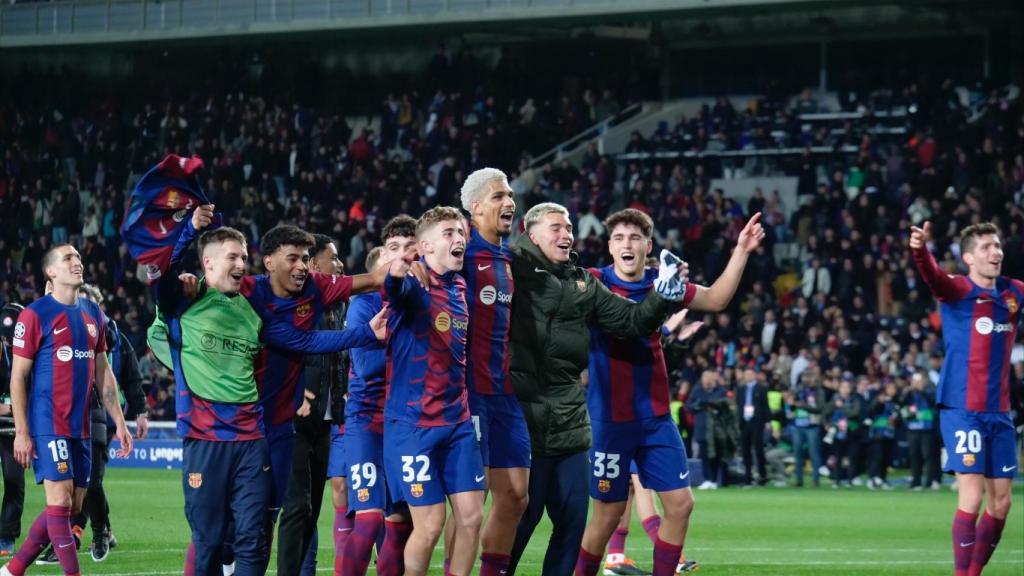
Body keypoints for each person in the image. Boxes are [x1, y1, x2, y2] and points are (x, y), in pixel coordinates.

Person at [146, 206, 383, 576]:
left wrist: (368, 331)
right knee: (210, 539)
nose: (241, 264)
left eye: (243, 256)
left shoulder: (253, 313)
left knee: (257, 535)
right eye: (233, 257)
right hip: (207, 437)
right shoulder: (188, 302)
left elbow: (302, 339)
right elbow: (159, 277)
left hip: (259, 434)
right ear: (208, 265)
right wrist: (189, 229)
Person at [578, 208, 764, 576]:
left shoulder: (662, 282)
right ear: (610, 247)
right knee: (606, 515)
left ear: (648, 246)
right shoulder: (593, 281)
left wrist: (741, 250)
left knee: (680, 504)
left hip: (656, 419)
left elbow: (716, 300)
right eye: (619, 238)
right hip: (609, 421)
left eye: (634, 238)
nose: (626, 244)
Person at [507, 202, 689, 576]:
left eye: (569, 227)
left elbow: (632, 319)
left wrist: (664, 293)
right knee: (521, 517)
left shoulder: (583, 283)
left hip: (572, 421)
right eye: (557, 227)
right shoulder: (509, 269)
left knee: (574, 524)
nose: (567, 234)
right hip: (525, 418)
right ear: (532, 233)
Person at [1, 244, 133, 576]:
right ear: (51, 272)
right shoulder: (34, 315)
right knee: (60, 503)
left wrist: (121, 422)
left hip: (83, 425)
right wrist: (22, 431)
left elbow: (104, 374)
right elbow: (18, 376)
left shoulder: (94, 314)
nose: (77, 262)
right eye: (68, 258)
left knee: (71, 507)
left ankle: (14, 569)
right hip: (48, 422)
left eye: (78, 257)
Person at [910, 221, 1022, 576]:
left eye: (998, 245)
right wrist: (920, 251)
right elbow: (932, 277)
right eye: (988, 246)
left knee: (1002, 503)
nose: (997, 252)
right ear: (969, 257)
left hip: (1000, 412)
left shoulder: (1014, 292)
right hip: (962, 409)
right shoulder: (957, 290)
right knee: (972, 498)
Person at [381, 206, 485, 576]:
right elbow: (396, 289)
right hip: (413, 426)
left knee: (472, 518)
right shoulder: (416, 285)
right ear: (424, 245)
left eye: (460, 232)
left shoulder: (459, 285)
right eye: (449, 233)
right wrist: (396, 271)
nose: (459, 238)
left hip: (456, 421)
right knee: (429, 524)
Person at [40, 284, 149, 564]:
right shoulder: (64, 336)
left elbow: (132, 377)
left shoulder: (114, 338)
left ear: (99, 307)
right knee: (75, 481)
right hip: (69, 415)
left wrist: (139, 411)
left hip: (103, 415)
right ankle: (77, 534)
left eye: (88, 304)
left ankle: (93, 533)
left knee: (92, 480)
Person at [334, 216, 418, 576]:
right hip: (368, 421)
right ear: (384, 255)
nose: (400, 257)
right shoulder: (365, 304)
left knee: (401, 525)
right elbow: (366, 364)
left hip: (407, 424)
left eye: (408, 249)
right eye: (393, 249)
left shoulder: (423, 301)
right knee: (368, 521)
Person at [456, 168, 529, 576]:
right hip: (471, 392)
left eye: (511, 196)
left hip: (506, 392)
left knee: (517, 495)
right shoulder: (461, 255)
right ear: (476, 207)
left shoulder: (510, 259)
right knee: (471, 501)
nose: (509, 203)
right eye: (499, 196)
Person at [276, 233, 349, 576]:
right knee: (295, 507)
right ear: (315, 265)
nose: (338, 264)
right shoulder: (298, 305)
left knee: (310, 509)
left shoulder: (336, 306)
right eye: (332, 258)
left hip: (324, 420)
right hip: (295, 420)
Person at [0, 304, 25, 558]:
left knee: (14, 482)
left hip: (15, 430)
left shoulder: (33, 352)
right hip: (8, 420)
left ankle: (6, 536)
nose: (8, 342)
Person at [901, 372, 939, 490]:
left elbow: (934, 402)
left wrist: (922, 390)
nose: (917, 384)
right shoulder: (909, 394)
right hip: (913, 428)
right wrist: (909, 391)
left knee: (928, 455)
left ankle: (931, 480)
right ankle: (916, 481)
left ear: (924, 381)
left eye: (919, 381)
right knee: (914, 455)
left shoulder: (929, 391)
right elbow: (901, 403)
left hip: (927, 429)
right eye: (915, 381)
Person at [736, 368, 771, 487]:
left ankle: (762, 475)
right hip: (745, 422)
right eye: (746, 374)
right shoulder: (741, 389)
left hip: (757, 422)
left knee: (758, 449)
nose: (748, 376)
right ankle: (747, 476)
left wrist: (767, 421)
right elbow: (738, 405)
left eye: (750, 374)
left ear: (755, 376)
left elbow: (765, 406)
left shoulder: (761, 388)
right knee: (745, 450)